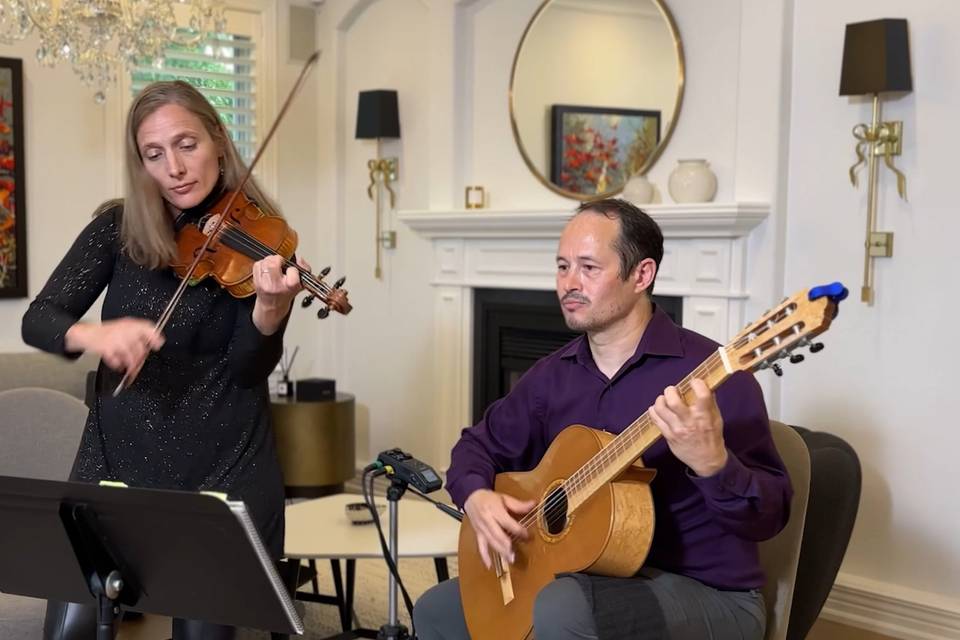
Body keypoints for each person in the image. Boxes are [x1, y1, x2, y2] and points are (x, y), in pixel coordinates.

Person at [413, 198, 792, 640]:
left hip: (711, 594)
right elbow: (475, 446)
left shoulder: (713, 378)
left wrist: (714, 465)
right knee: (438, 609)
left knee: (564, 607)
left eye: (589, 268)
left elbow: (770, 516)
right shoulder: (552, 376)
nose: (569, 283)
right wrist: (476, 497)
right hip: (590, 575)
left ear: (641, 275)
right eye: (562, 267)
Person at [22, 80, 308, 640]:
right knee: (70, 631)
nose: (174, 167)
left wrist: (269, 312)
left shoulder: (261, 241)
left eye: (187, 144)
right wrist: (95, 335)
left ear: (218, 142)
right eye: (155, 154)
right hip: (117, 458)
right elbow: (40, 318)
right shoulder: (117, 227)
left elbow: (248, 370)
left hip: (221, 466)